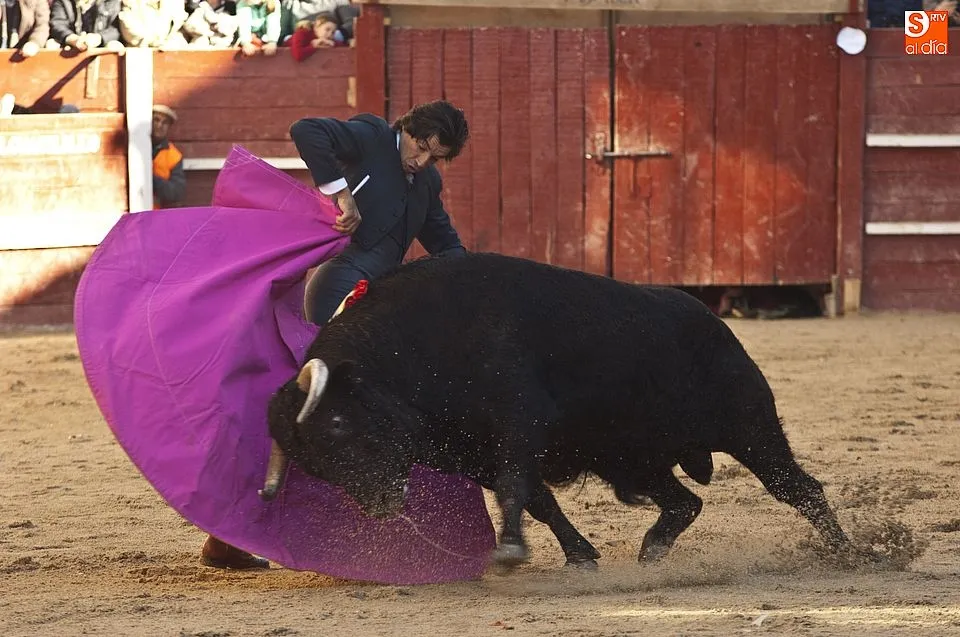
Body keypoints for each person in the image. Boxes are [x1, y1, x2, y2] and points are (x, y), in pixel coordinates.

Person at [197, 99, 470, 570]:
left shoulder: (426, 181)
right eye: (420, 147)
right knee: (324, 410)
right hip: (340, 289)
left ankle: (249, 535)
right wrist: (342, 195)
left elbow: (444, 242)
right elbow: (306, 128)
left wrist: (481, 279)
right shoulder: (368, 137)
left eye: (434, 155)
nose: (422, 160)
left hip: (377, 308)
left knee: (350, 412)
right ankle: (233, 533)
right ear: (408, 128)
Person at [152, 104, 187, 209]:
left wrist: (151, 179)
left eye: (165, 123)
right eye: (156, 120)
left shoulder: (174, 156)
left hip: (159, 215)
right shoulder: (135, 147)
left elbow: (176, 192)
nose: (159, 125)